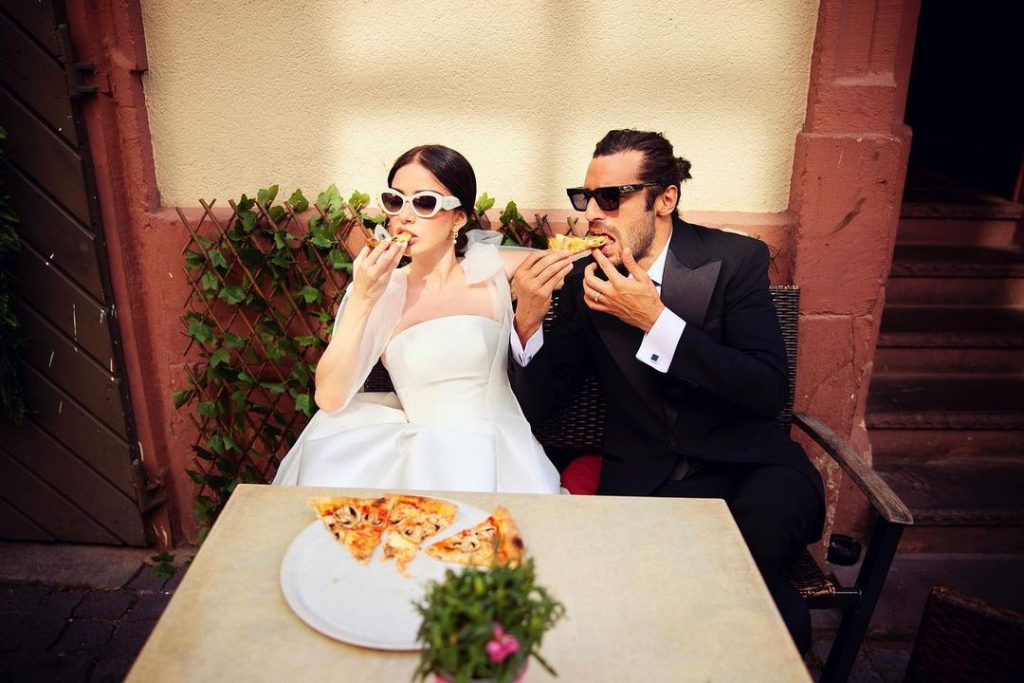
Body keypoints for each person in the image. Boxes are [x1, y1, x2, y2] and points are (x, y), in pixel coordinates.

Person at [508, 129, 825, 652]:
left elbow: (767, 389)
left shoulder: (736, 260)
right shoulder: (588, 278)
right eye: (585, 198)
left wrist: (656, 322)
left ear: (666, 199)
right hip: (648, 481)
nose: (592, 214)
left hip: (752, 471)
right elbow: (539, 404)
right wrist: (527, 323)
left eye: (612, 198)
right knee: (730, 597)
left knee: (737, 567)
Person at [273, 144, 561, 494]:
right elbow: (330, 397)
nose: (404, 217)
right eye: (395, 201)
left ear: (459, 216)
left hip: (498, 448)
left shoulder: (490, 268)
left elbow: (569, 262)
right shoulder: (380, 288)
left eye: (425, 202)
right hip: (421, 450)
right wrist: (363, 296)